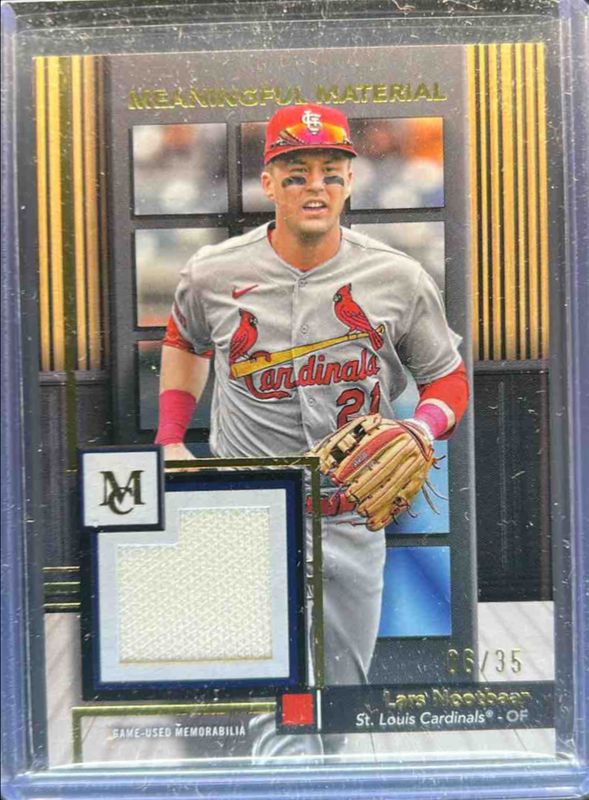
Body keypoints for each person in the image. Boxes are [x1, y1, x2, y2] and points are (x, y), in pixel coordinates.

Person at [155, 104, 469, 757]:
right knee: (253, 699)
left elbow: (447, 376)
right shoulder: (214, 271)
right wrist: (170, 436)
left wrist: (421, 427)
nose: (314, 186)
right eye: (296, 173)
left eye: (330, 171)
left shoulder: (396, 277)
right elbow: (184, 339)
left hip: (347, 514)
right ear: (268, 183)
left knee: (336, 704)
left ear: (350, 180)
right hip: (246, 510)